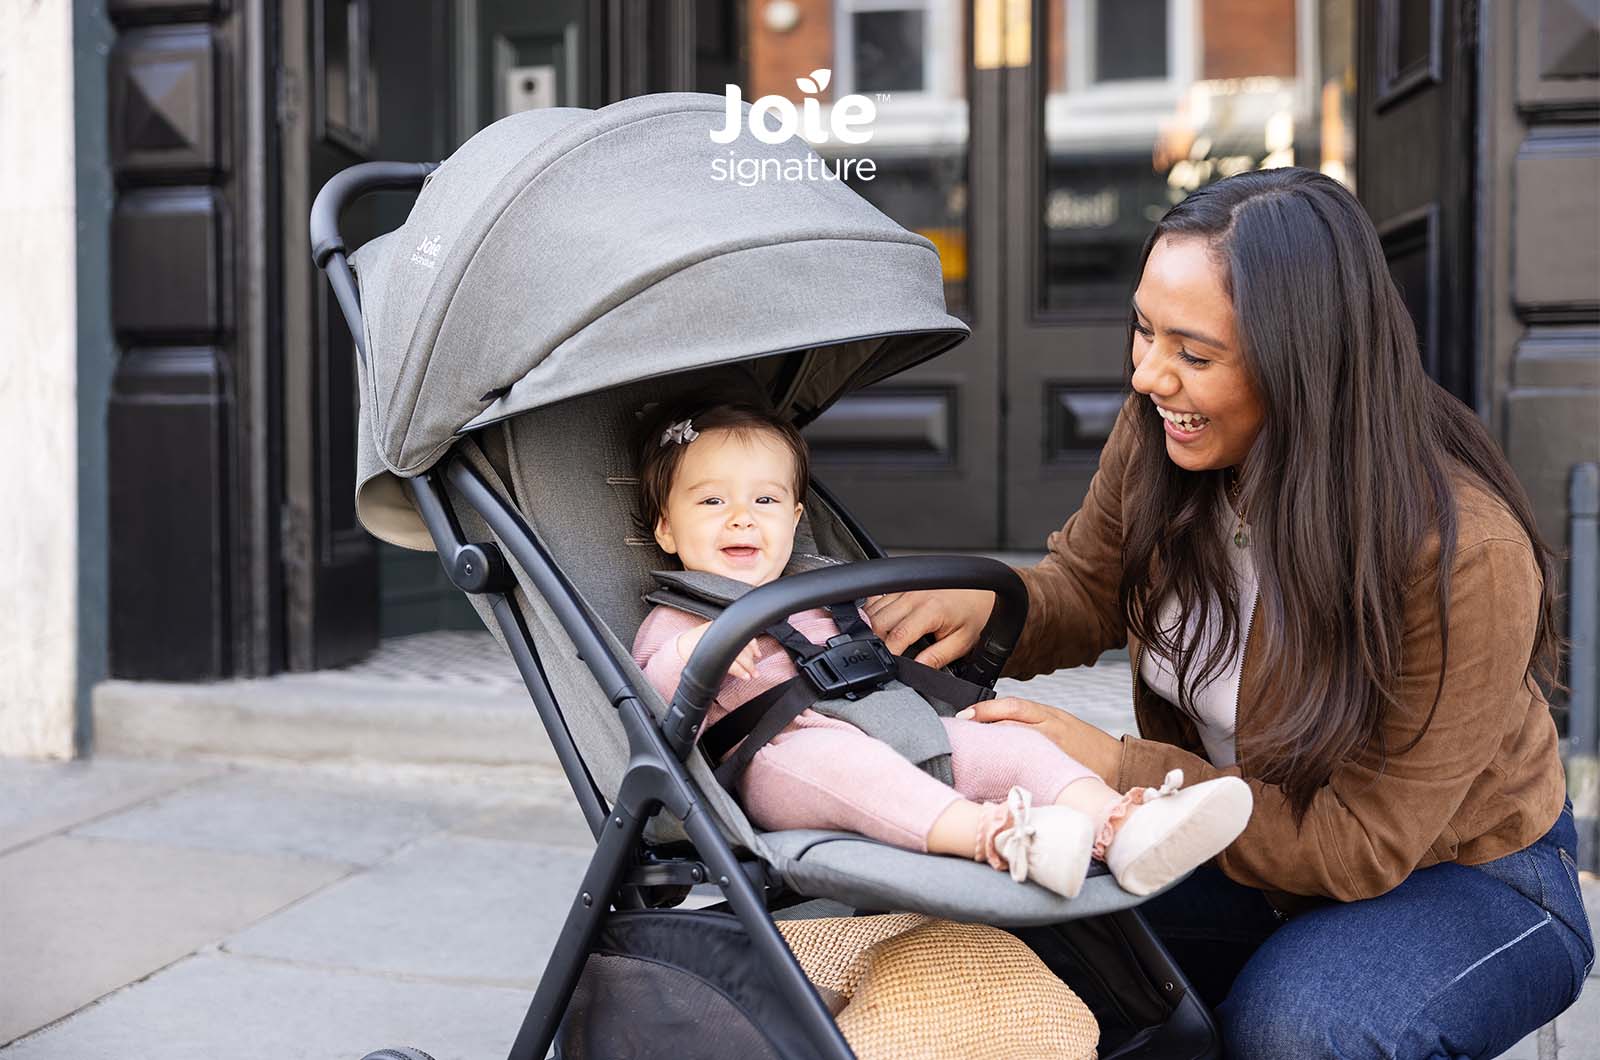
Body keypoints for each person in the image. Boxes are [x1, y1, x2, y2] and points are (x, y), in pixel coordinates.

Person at [866, 168, 1594, 1057]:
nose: (1148, 375)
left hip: (1464, 873)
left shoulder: (1462, 554)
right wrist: (990, 604)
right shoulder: (1163, 434)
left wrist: (1120, 765)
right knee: (1000, 930)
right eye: (1144, 329)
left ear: (1304, 363)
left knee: (1301, 1028)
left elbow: (1362, 844)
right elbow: (1087, 588)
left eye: (1195, 354)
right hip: (1239, 850)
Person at [630, 401, 1253, 899]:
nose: (741, 517)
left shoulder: (825, 588)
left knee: (1009, 743)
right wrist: (692, 654)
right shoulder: (678, 617)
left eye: (764, 500)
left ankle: (1120, 824)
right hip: (784, 760)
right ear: (665, 527)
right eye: (711, 501)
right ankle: (999, 836)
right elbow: (651, 694)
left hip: (900, 727)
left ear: (795, 519)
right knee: (845, 767)